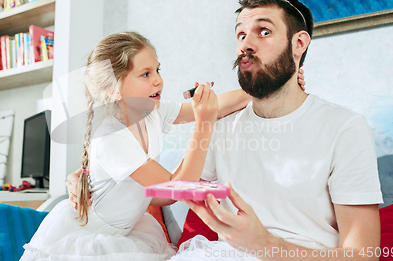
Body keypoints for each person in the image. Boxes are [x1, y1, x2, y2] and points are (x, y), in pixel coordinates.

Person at [21, 31, 303, 261]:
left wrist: (270, 87)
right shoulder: (110, 138)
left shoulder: (152, 112)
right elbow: (174, 190)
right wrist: (203, 124)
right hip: (90, 239)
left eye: (157, 69)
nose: (158, 79)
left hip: (129, 230)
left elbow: (215, 106)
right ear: (113, 89)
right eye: (145, 74)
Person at [170, 0, 383, 261]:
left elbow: (363, 256)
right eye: (241, 34)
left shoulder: (345, 128)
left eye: (264, 31)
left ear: (298, 44)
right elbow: (173, 190)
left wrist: (265, 244)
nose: (246, 44)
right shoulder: (222, 127)